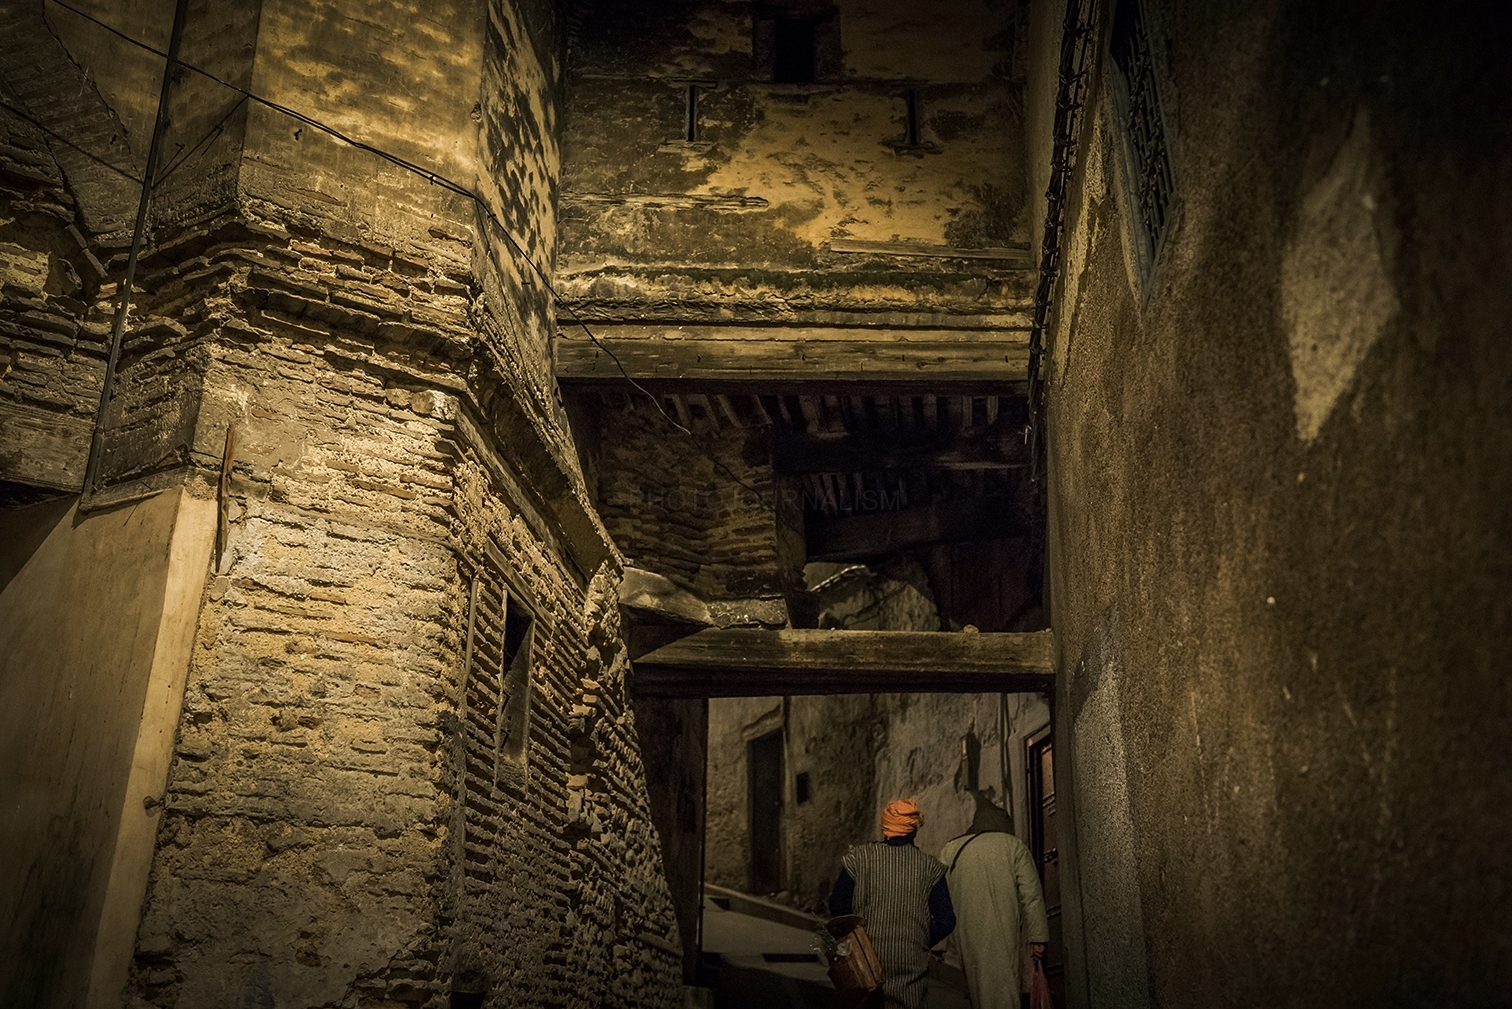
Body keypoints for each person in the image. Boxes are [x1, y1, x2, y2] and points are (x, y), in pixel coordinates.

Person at [829, 799, 956, 1009]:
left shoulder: (858, 859)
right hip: (911, 959)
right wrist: (920, 938)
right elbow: (946, 920)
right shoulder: (931, 867)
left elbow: (838, 906)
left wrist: (857, 938)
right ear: (914, 830)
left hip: (866, 958)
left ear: (885, 828)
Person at [937, 803, 1050, 1009]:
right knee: (1004, 990)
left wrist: (938, 943)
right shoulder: (1013, 846)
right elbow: (1031, 896)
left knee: (976, 990)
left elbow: (939, 897)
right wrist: (1038, 937)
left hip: (965, 934)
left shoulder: (950, 849)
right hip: (1003, 931)